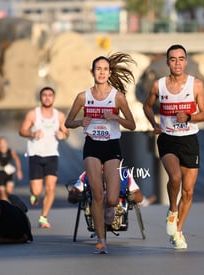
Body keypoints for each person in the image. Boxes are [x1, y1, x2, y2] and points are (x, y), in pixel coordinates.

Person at [65, 53, 136, 254]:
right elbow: (68, 122)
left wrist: (116, 117)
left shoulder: (118, 97)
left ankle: (110, 209)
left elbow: (132, 125)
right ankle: (101, 240)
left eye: (105, 69)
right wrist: (80, 122)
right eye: (98, 69)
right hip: (92, 146)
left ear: (109, 72)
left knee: (111, 198)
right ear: (92, 72)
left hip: (112, 146)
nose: (102, 72)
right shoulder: (82, 97)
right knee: (97, 195)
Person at [143, 44, 204, 250]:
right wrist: (154, 124)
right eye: (173, 59)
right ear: (168, 62)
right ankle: (172, 210)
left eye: (181, 59)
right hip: (168, 139)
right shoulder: (159, 85)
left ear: (186, 61)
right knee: (175, 178)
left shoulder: (196, 85)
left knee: (188, 192)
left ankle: (178, 231)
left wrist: (189, 116)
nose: (177, 63)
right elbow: (146, 106)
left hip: (189, 140)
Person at [19, 86, 69, 229]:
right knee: (36, 190)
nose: (47, 97)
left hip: (52, 155)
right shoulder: (33, 114)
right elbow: (22, 131)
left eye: (50, 95)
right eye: (44, 95)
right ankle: (34, 194)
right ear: (40, 98)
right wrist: (32, 134)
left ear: (53, 98)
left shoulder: (59, 115)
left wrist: (63, 135)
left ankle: (43, 217)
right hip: (35, 154)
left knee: (51, 188)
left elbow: (66, 132)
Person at [0, 137, 23, 201]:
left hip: (9, 174)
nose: (2, 144)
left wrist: (19, 170)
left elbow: (17, 159)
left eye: (4, 142)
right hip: (1, 174)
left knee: (9, 191)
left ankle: (11, 206)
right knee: (3, 194)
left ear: (6, 143)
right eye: (1, 143)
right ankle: (6, 207)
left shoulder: (11, 152)